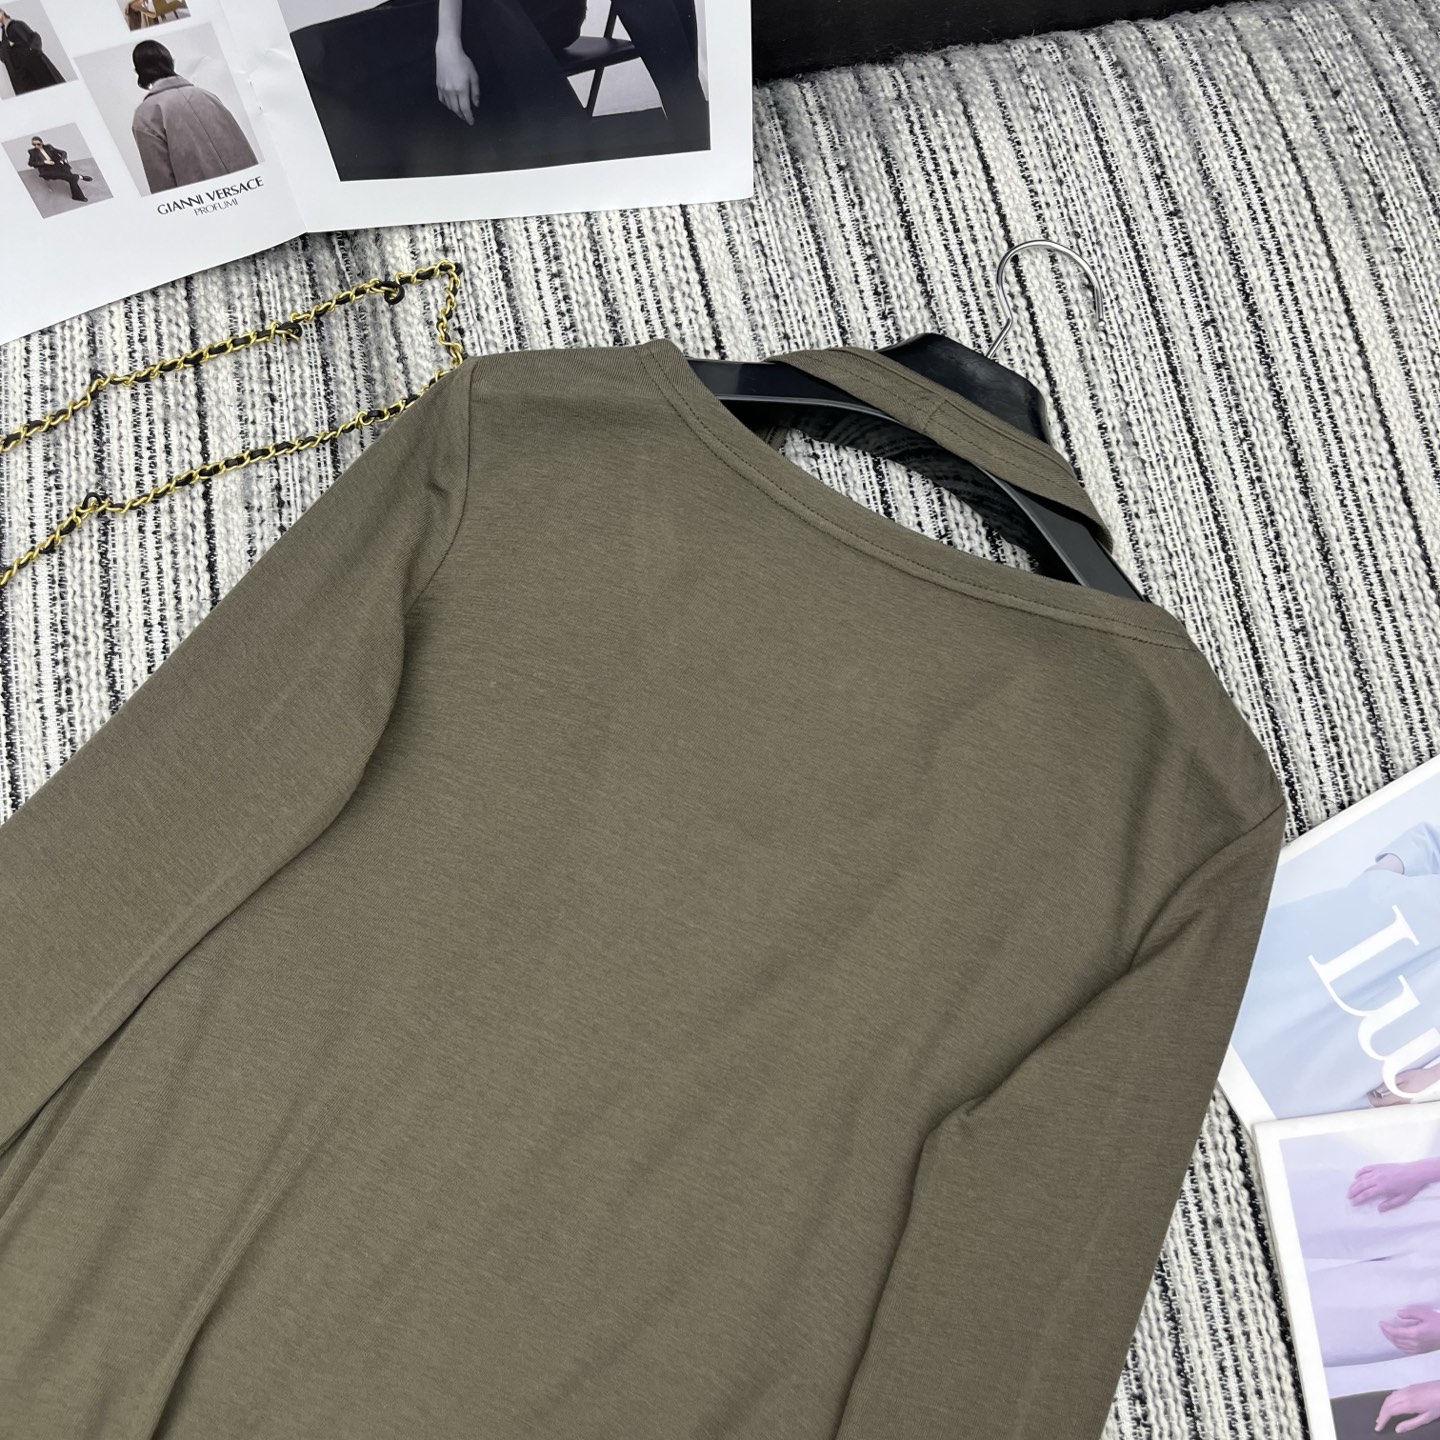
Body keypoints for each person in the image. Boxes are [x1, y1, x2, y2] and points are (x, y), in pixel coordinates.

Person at [1229, 818, 1440, 1118]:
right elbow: (1431, 841)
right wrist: (1383, 873)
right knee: (1254, 981)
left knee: (1298, 1078)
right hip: (1385, 921)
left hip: (1414, 1010)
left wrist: (1430, 1077)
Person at [129, 39, 258, 193]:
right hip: (251, 192)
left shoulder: (146, 115)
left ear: (138, 71)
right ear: (171, 62)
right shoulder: (208, 96)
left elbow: (163, 185)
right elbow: (243, 150)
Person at [0, 8, 64, 94]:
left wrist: (32, 49)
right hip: (23, 72)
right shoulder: (4, 34)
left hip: (35, 60)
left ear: (2, 12)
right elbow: (5, 55)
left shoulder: (16, 24)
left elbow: (35, 36)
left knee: (51, 85)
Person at [26, 135, 89, 203]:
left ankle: (77, 194)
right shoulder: (32, 152)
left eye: (38, 144)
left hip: (57, 165)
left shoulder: (48, 147)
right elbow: (31, 163)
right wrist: (44, 162)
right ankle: (79, 177)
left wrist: (62, 159)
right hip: (47, 170)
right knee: (72, 178)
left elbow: (63, 152)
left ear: (42, 142)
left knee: (71, 178)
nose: (36, 146)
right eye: (34, 144)